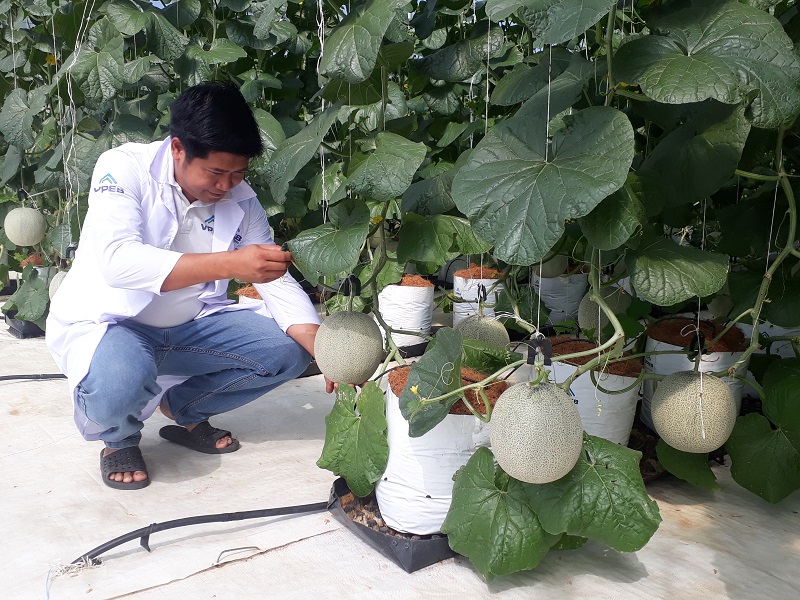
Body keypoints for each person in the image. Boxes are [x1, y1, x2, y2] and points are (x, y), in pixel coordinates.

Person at [46, 81, 332, 490]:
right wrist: (233, 263)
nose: (227, 185)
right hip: (113, 325)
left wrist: (324, 349)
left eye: (238, 173)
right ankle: (118, 439)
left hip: (191, 326)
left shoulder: (242, 198)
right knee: (119, 380)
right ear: (178, 148)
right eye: (216, 172)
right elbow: (118, 262)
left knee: (287, 352)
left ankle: (184, 407)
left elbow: (274, 279)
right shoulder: (122, 167)